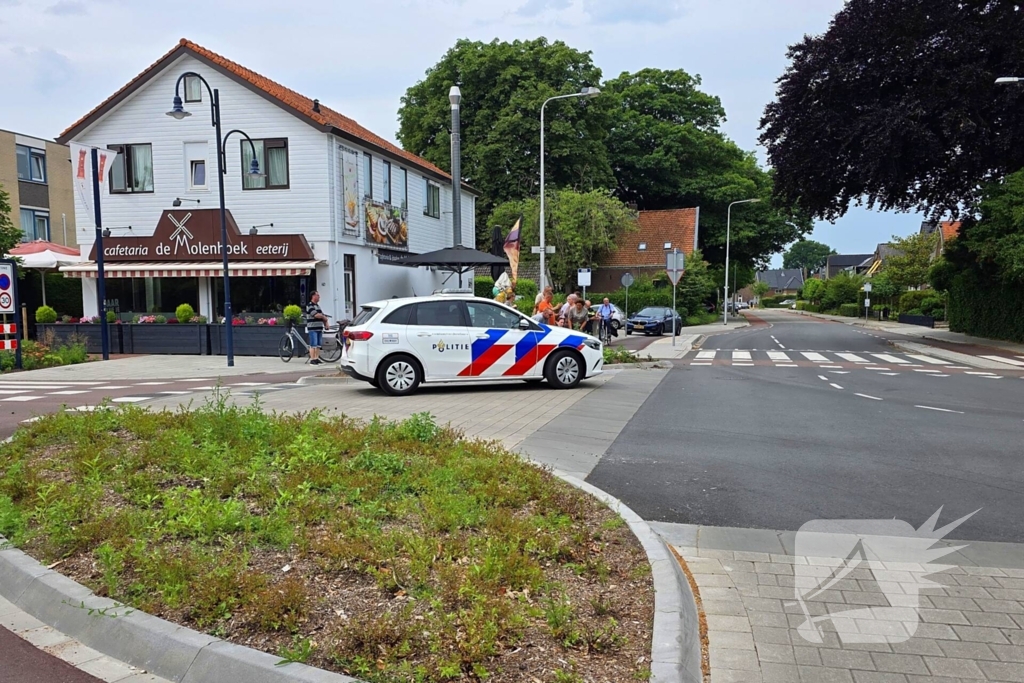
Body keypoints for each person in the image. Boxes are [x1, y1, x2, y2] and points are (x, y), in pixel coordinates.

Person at [305, 291, 328, 365]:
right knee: (313, 344)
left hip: (319, 328)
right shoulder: (309, 305)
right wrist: (323, 317)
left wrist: (326, 323)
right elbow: (316, 315)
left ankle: (316, 358)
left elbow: (322, 316)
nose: (319, 297)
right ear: (313, 296)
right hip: (313, 328)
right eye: (317, 295)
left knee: (318, 345)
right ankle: (312, 359)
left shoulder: (318, 306)